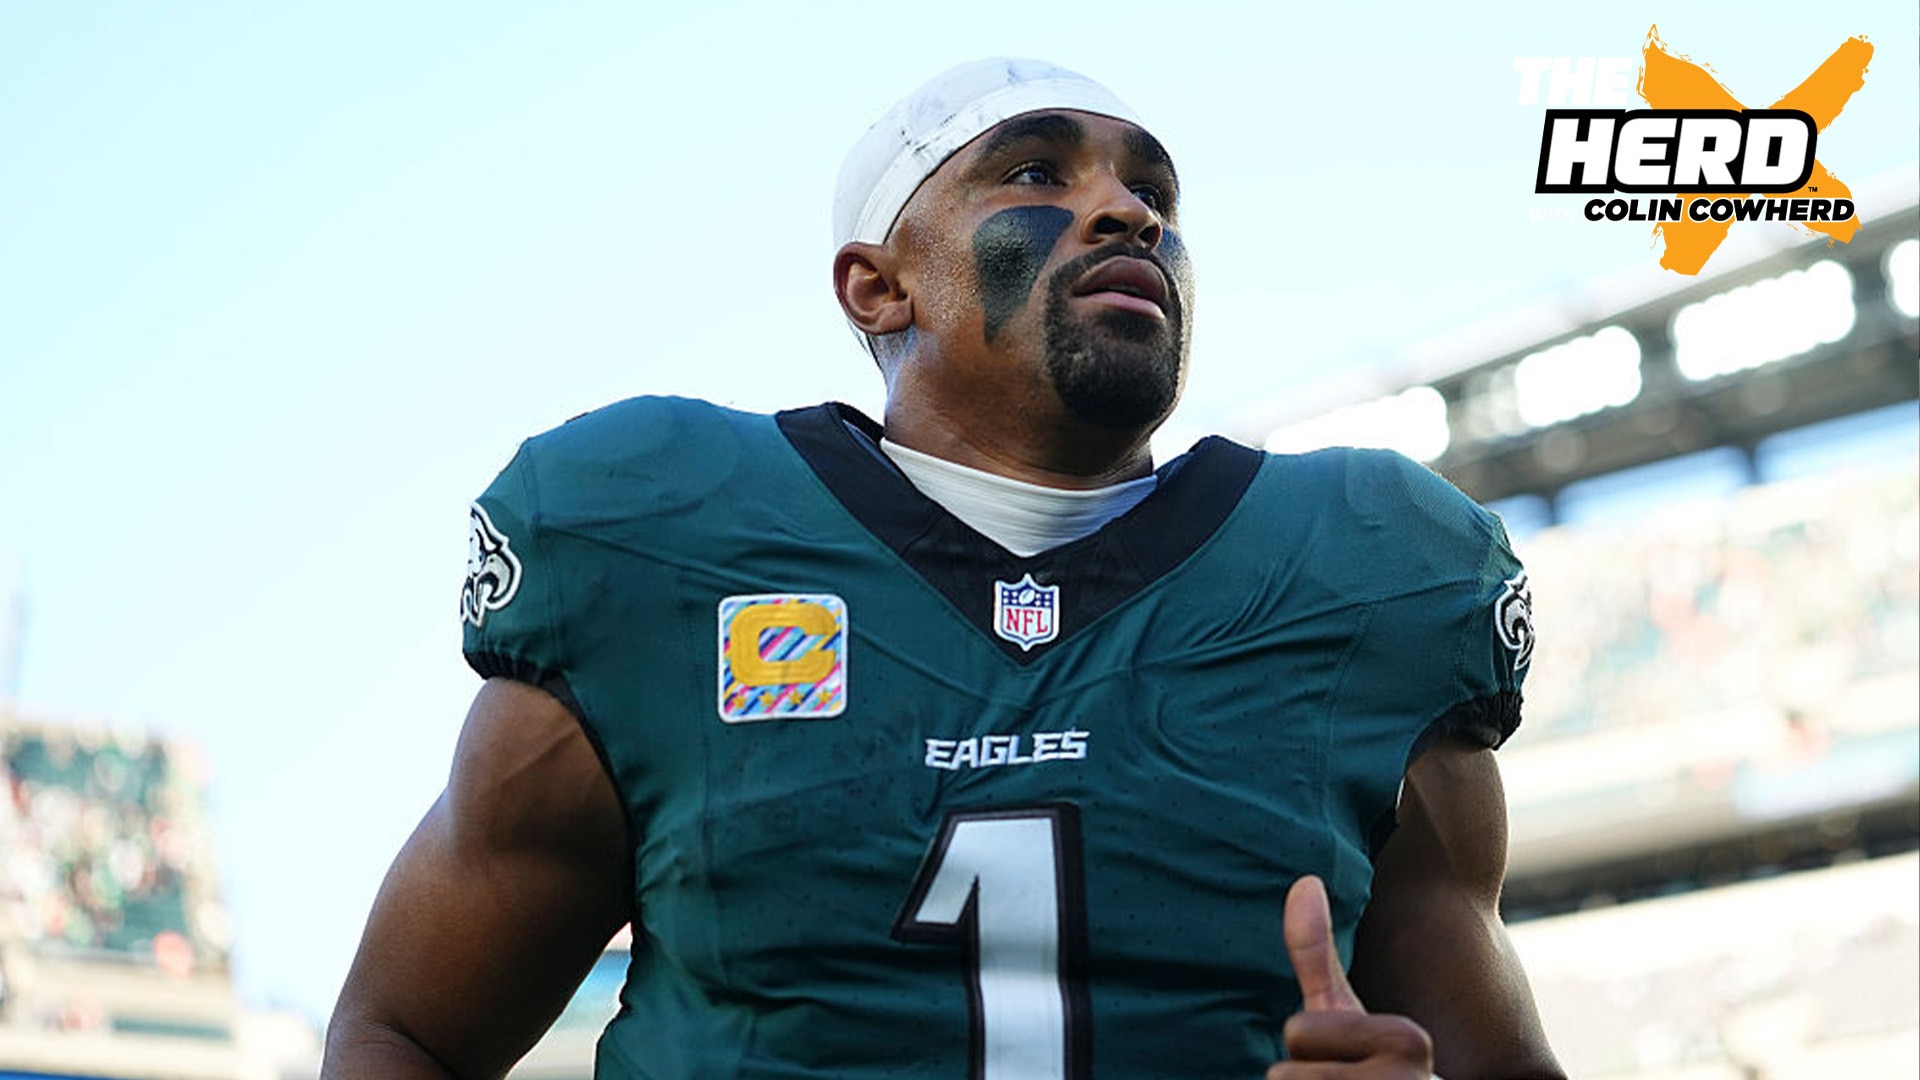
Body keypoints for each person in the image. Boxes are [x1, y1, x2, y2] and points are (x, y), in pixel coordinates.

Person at [323, 58, 1566, 1080]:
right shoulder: (660, 540)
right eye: (1036, 173)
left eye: (1153, 193)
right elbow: (404, 1033)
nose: (1130, 212)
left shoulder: (1364, 572)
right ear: (878, 287)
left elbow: (1501, 1065)